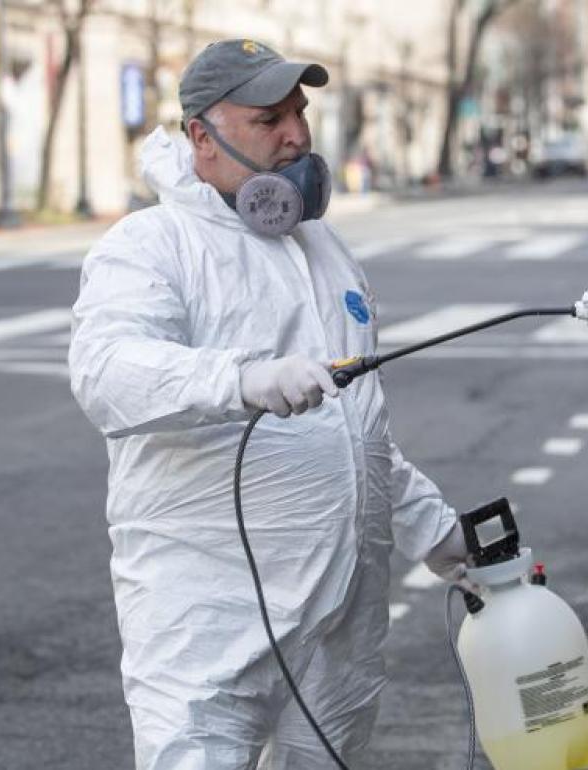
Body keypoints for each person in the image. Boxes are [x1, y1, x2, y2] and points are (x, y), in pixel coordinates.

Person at [68, 39, 470, 769]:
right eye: (268, 119)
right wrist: (241, 380)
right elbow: (106, 373)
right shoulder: (153, 246)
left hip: (341, 625)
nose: (297, 136)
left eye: (298, 113)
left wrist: (441, 537)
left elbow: (358, 431)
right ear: (202, 136)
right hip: (208, 620)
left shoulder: (323, 250)